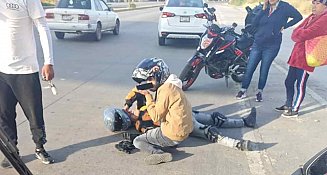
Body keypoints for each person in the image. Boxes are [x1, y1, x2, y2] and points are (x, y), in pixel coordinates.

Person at [104, 58, 257, 165]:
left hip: (181, 120)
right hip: (179, 124)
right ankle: (239, 139)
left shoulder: (148, 99)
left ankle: (243, 124)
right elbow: (155, 123)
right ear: (127, 121)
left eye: (126, 110)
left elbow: (137, 90)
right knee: (210, 128)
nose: (129, 111)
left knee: (211, 120)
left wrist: (128, 102)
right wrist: (148, 102)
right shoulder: (142, 121)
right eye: (127, 113)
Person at [0, 0, 55, 168]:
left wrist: (48, 62)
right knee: (4, 115)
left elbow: (42, 27)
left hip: (25, 69)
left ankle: (40, 147)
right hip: (1, 70)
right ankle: (12, 150)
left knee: (34, 114)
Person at [236, 0, 303, 102]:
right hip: (258, 43)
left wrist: (285, 26)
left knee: (264, 69)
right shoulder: (262, 8)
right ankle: (243, 89)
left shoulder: (284, 7)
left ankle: (259, 91)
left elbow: (299, 17)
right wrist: (263, 10)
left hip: (272, 46)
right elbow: (254, 23)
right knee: (250, 68)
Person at [275, 0, 327, 117]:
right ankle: (288, 104)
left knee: (300, 83)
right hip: (297, 54)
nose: (313, 5)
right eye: (313, 3)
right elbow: (295, 32)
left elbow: (306, 33)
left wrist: (300, 33)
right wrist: (299, 33)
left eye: (317, 3)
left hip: (308, 56)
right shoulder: (312, 16)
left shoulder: (325, 18)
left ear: (325, 5)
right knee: (289, 81)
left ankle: (295, 108)